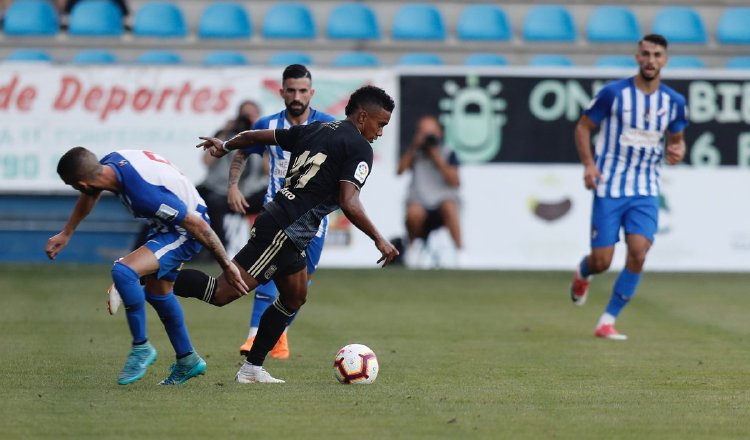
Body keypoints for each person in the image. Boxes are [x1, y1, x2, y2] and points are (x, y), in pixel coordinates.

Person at [173, 85, 399, 383]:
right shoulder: (359, 148)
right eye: (380, 124)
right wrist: (379, 239)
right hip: (284, 229)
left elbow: (255, 137)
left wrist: (225, 145)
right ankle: (149, 277)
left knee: (294, 296)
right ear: (362, 117)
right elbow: (349, 200)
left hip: (287, 227)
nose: (380, 132)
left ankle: (252, 369)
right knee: (222, 293)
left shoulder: (315, 128)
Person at [45, 147, 248, 385]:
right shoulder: (110, 164)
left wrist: (227, 265)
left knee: (124, 270)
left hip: (186, 231)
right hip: (166, 225)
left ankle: (141, 347)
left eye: (75, 186)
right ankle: (188, 360)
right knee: (158, 294)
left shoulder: (143, 193)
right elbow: (91, 193)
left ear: (82, 183)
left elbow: (198, 226)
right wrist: (67, 232)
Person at [569, 34, 688, 340]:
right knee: (602, 261)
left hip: (645, 189)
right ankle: (584, 272)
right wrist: (589, 165)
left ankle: (607, 320)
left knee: (638, 253)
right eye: (645, 54)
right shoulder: (614, 93)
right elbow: (583, 127)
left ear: (665, 60)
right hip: (610, 186)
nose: (651, 60)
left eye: (657, 55)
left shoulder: (673, 102)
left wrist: (678, 152)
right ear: (637, 57)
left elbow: (677, 141)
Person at [228, 64, 336, 360]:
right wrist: (233, 186)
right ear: (282, 92)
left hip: (313, 222)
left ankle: (279, 335)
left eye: (303, 90)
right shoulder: (269, 123)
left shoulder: (328, 125)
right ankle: (253, 338)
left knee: (299, 286)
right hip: (276, 214)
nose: (297, 96)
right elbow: (243, 149)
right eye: (291, 90)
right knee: (266, 275)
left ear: (311, 93)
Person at [197, 100, 267, 256]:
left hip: (250, 193)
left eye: (251, 116)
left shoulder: (263, 137)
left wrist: (262, 138)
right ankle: (219, 250)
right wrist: (224, 132)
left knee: (273, 198)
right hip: (222, 192)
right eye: (244, 115)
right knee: (208, 201)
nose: (247, 119)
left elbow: (269, 170)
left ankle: (262, 248)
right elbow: (206, 162)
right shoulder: (225, 136)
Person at [397, 115, 462, 268]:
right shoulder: (415, 153)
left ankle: (460, 253)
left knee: (450, 206)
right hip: (419, 201)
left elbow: (455, 182)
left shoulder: (448, 153)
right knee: (413, 212)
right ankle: (412, 249)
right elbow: (400, 170)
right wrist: (414, 147)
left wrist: (436, 157)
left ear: (440, 133)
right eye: (423, 133)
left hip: (441, 202)